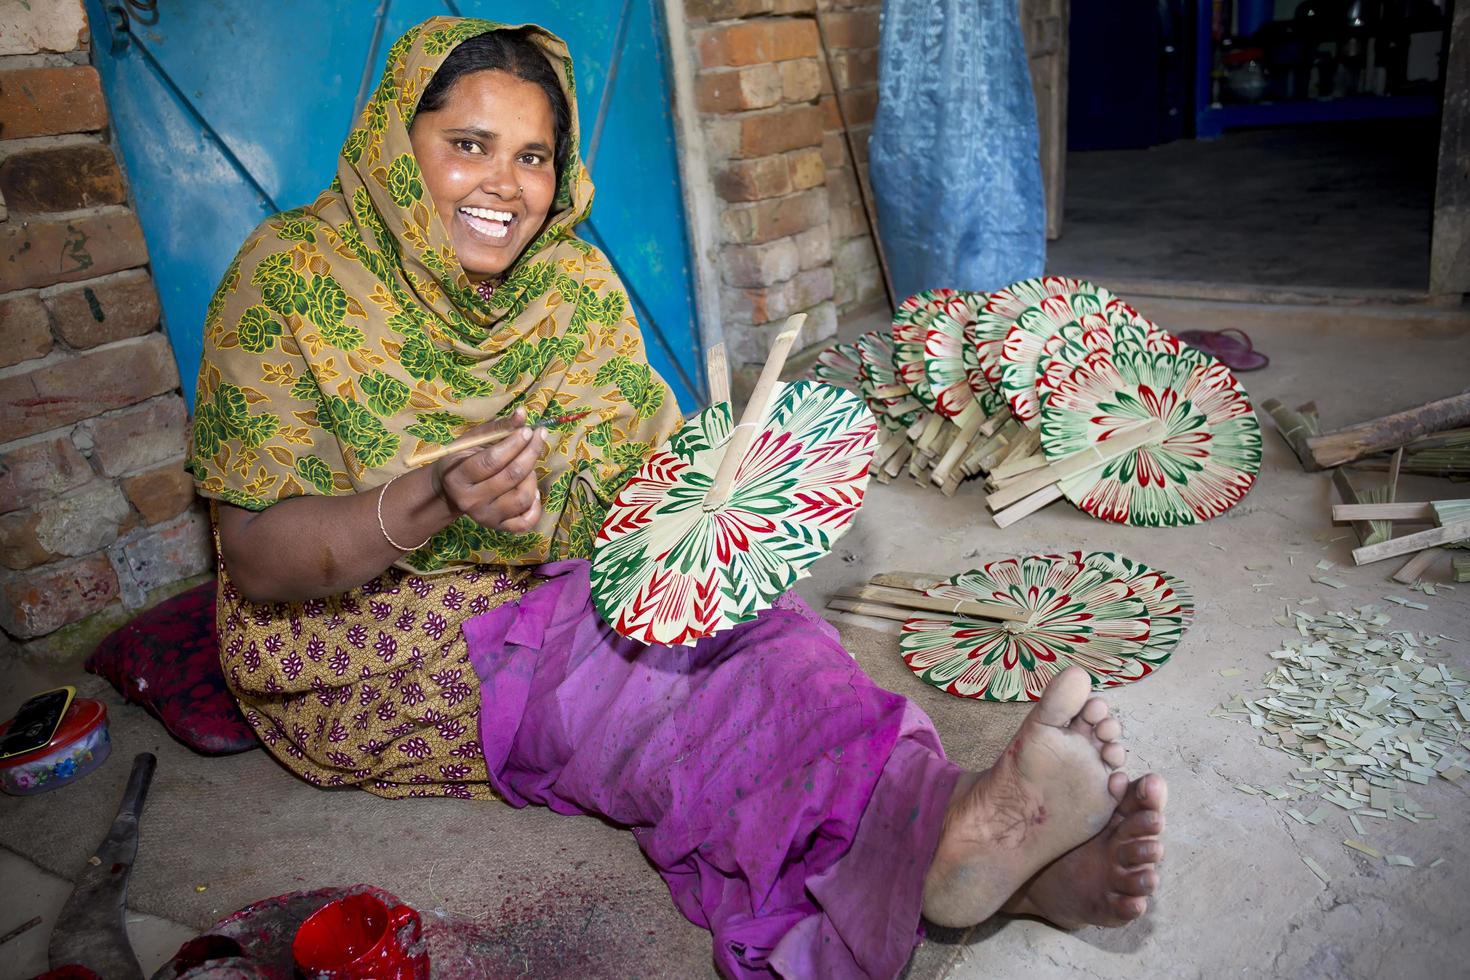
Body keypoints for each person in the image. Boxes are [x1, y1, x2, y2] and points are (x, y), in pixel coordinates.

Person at [191, 17, 1167, 978]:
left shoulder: (567, 283)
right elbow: (264, 560)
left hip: (566, 576)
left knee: (769, 635)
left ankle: (979, 844)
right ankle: (942, 843)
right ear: (397, 145)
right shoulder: (290, 280)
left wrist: (726, 492)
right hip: (375, 637)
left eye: (534, 155)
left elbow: (644, 485)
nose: (504, 184)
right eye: (467, 145)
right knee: (653, 703)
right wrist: (431, 498)